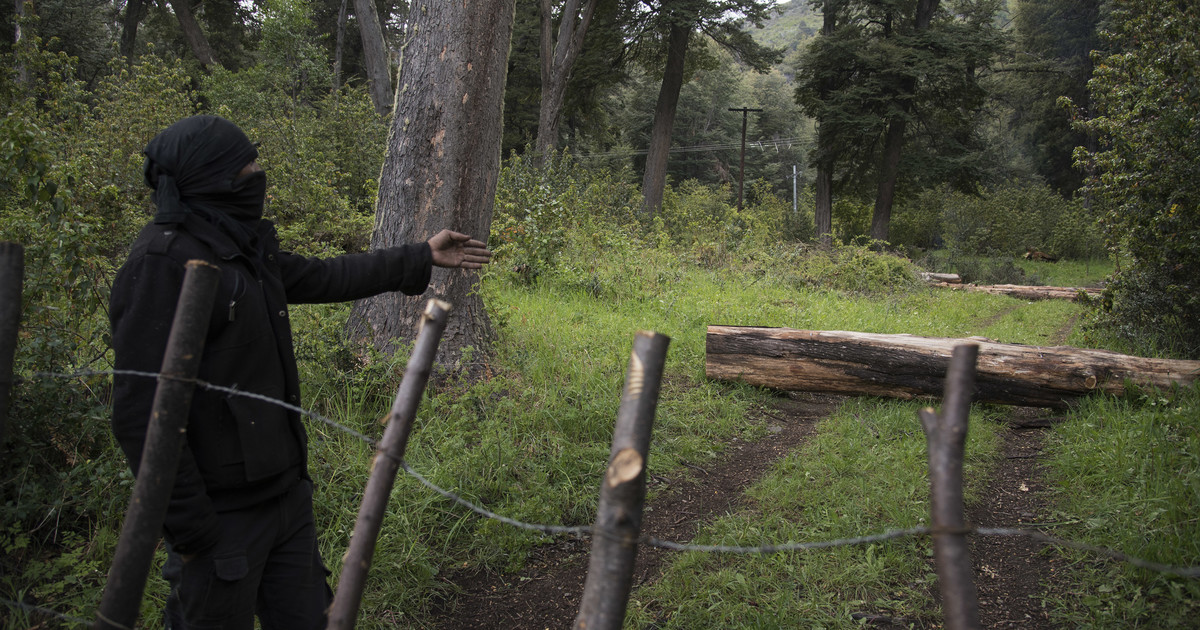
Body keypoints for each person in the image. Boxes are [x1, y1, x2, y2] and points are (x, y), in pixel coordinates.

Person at [109, 115, 491, 630]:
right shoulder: (161, 263)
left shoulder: (238, 244)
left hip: (285, 498)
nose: (258, 175)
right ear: (211, 178)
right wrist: (193, 529)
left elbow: (322, 275)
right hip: (223, 519)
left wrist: (420, 255)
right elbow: (140, 414)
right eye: (247, 167)